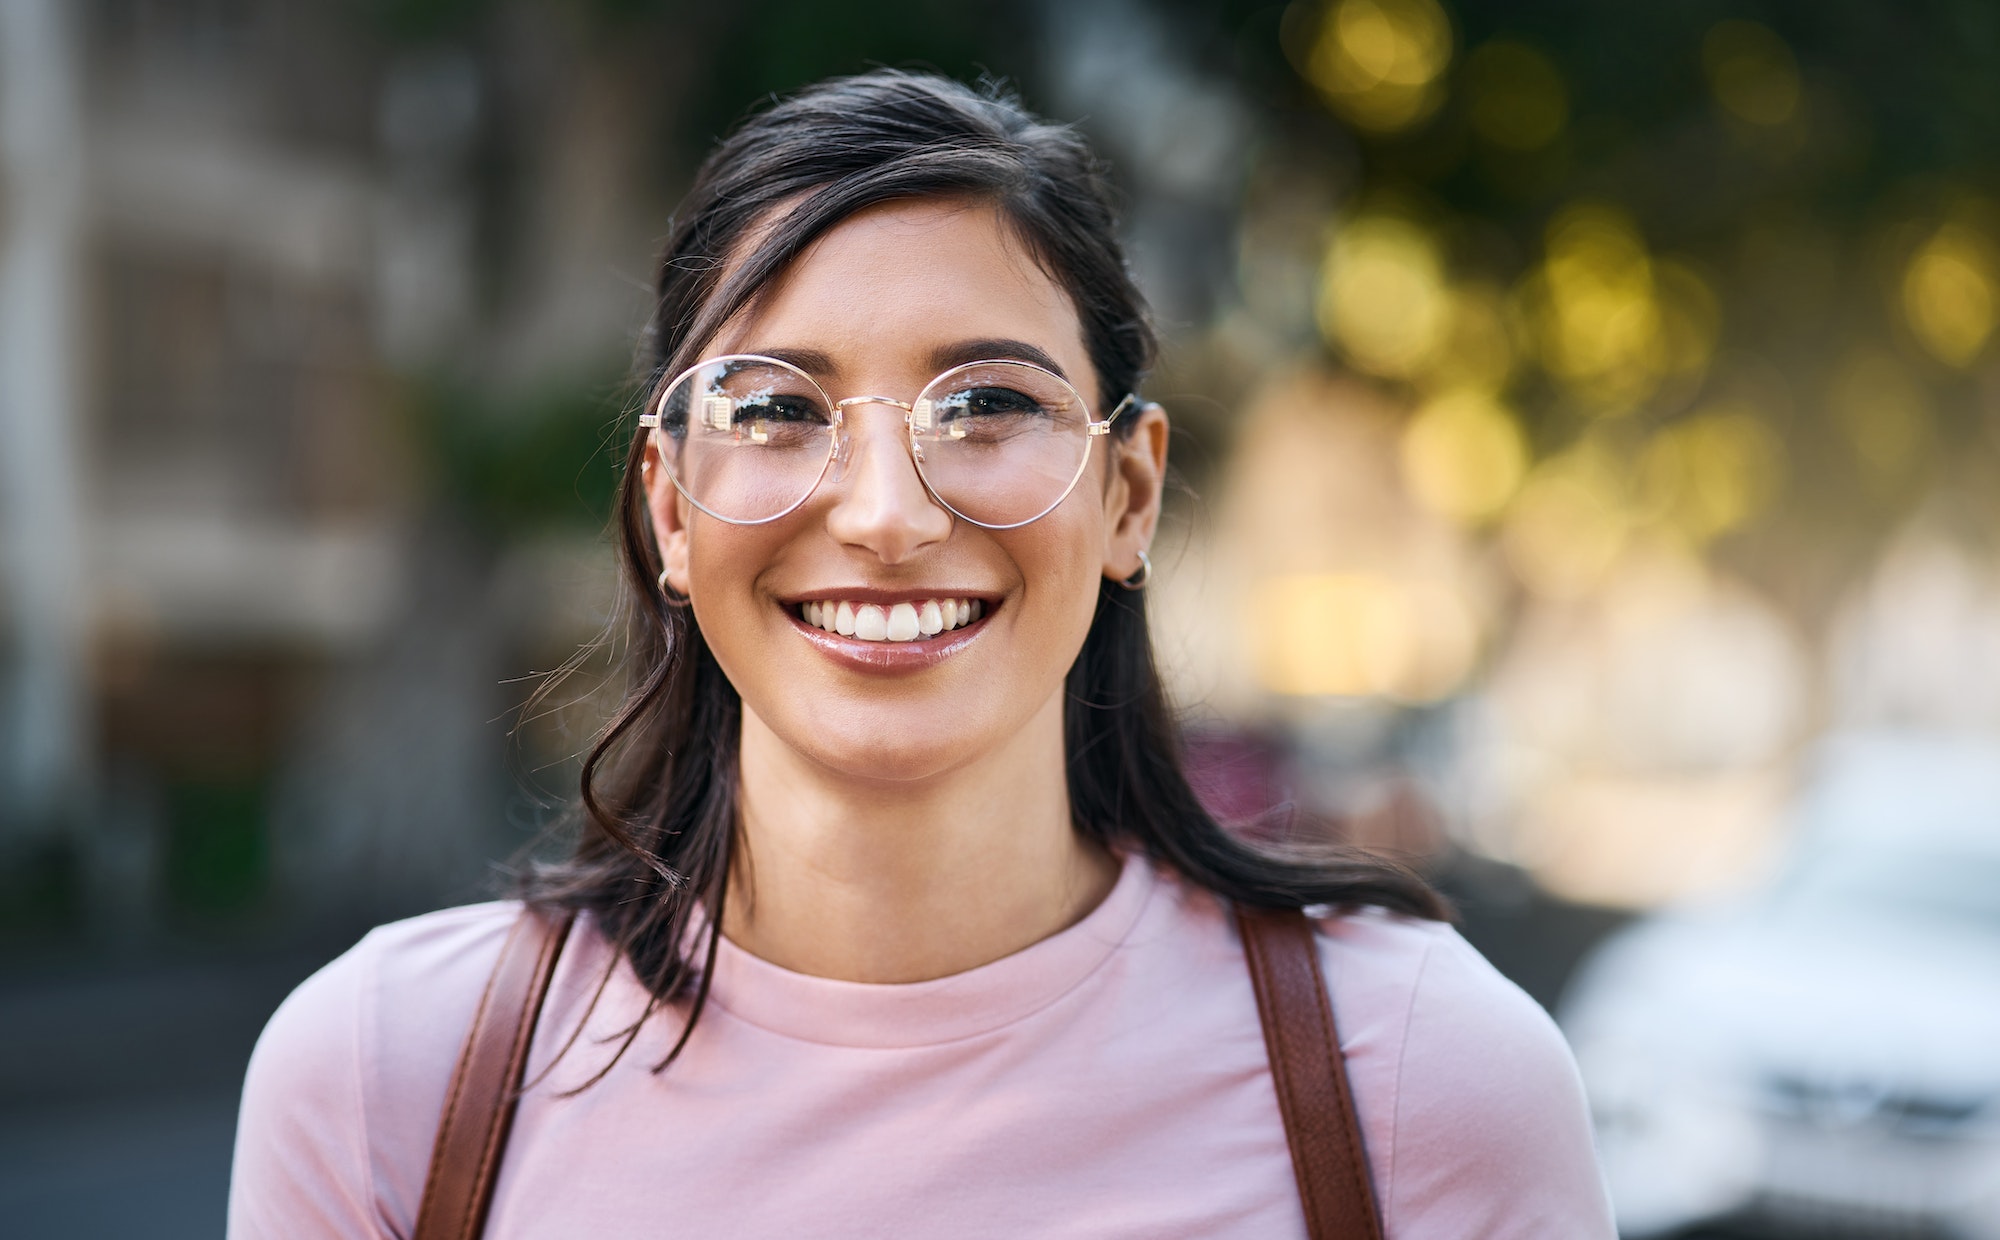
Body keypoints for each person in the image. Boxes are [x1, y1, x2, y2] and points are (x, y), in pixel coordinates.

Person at [229, 70, 1613, 1238]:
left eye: (988, 401)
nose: (887, 516)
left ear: (1128, 494)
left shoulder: (1418, 1082)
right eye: (777, 409)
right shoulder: (389, 1079)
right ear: (669, 507)